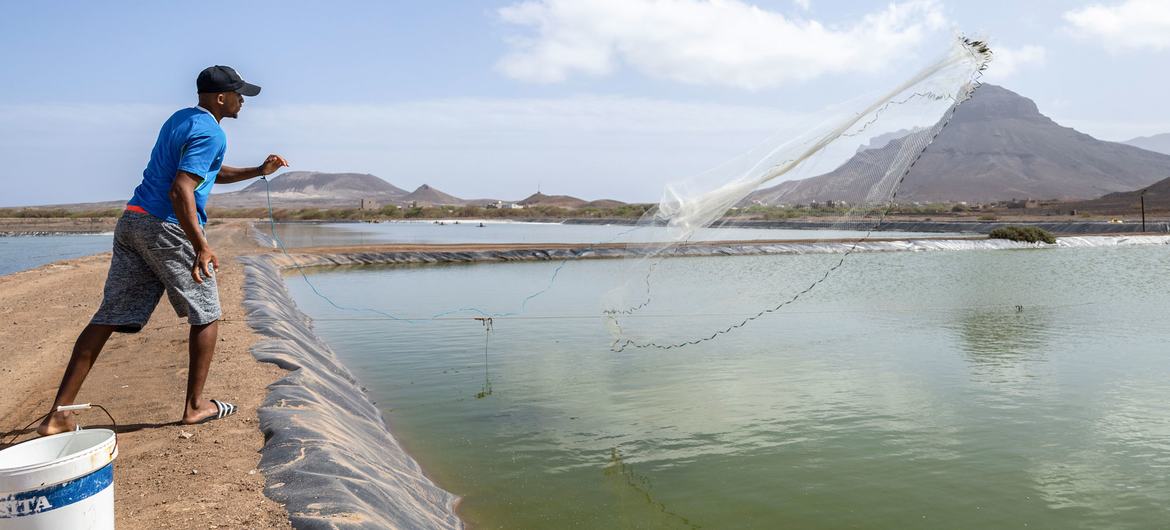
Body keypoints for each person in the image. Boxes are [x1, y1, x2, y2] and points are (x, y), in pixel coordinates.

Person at [37, 65, 289, 435]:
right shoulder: (212, 132)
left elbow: (207, 172)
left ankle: (58, 414)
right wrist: (201, 246)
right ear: (221, 98)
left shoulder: (182, 119)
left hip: (133, 220)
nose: (243, 102)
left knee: (110, 314)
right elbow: (181, 189)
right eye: (240, 95)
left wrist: (258, 170)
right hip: (166, 226)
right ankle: (195, 407)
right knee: (207, 312)